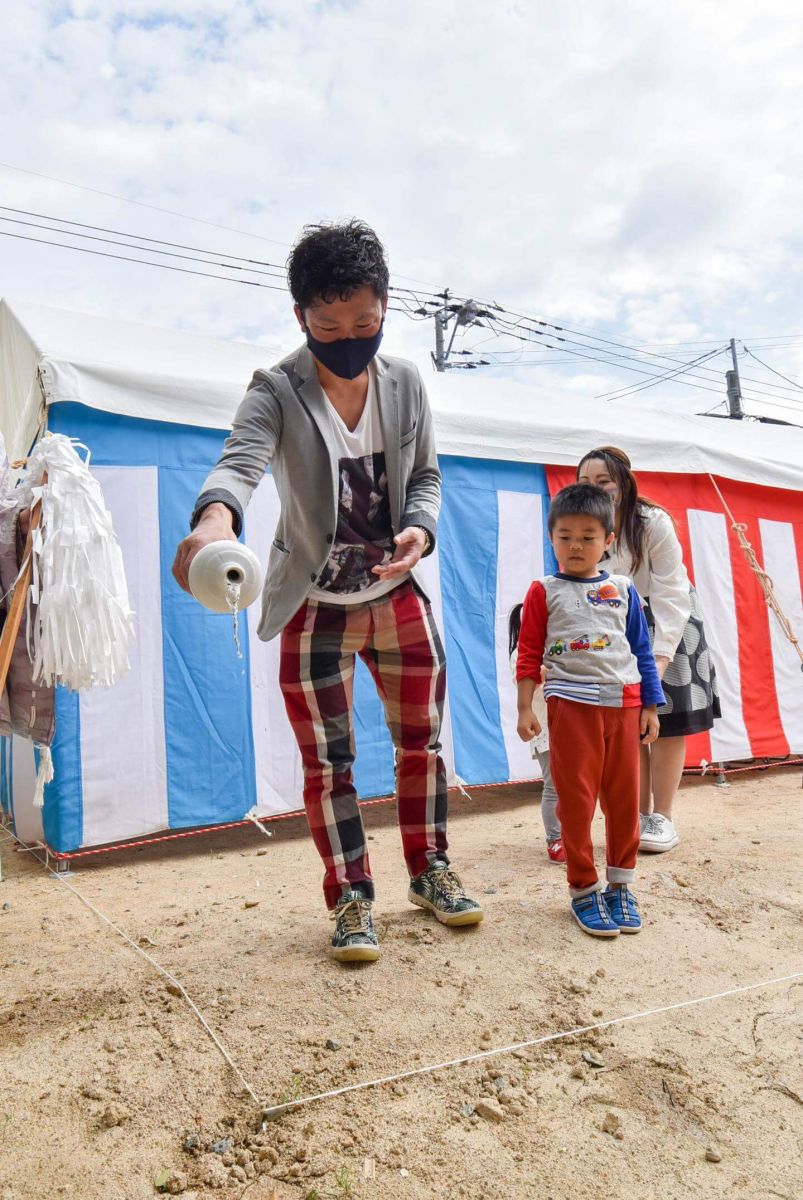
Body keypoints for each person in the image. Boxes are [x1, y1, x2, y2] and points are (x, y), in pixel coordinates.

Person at [172, 220, 482, 964]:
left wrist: (421, 529)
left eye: (365, 323)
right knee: (329, 763)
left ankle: (430, 869)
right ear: (300, 317)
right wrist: (213, 522)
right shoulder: (276, 389)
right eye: (328, 324)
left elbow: (429, 476)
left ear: (385, 309)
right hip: (314, 606)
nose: (348, 337)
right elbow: (239, 461)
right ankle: (349, 898)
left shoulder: (406, 383)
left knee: (424, 746)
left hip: (399, 595)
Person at [516, 484, 664, 937]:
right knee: (576, 803)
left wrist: (652, 706)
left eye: (587, 536)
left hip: (624, 706)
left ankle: (621, 885)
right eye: (564, 536)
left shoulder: (622, 589)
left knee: (623, 802)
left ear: (609, 539)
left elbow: (642, 649)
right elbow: (528, 653)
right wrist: (525, 707)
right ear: (551, 537)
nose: (576, 545)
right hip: (570, 707)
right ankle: (583, 888)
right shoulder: (544, 590)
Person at [577, 446, 721, 853]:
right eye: (586, 482)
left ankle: (664, 817)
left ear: (623, 482)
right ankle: (636, 815)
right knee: (630, 722)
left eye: (603, 480)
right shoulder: (587, 524)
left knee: (668, 719)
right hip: (623, 625)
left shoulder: (652, 521)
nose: (596, 489)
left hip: (671, 622)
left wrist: (659, 658)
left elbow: (673, 592)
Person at [508, 605, 565, 863]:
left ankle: (572, 835)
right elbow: (527, 676)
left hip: (568, 726)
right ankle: (555, 839)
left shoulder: (557, 645)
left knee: (574, 786)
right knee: (553, 786)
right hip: (544, 728)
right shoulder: (521, 654)